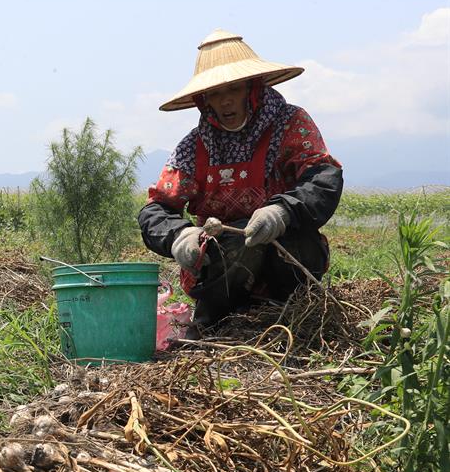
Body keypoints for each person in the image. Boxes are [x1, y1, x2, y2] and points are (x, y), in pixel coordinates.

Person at [138, 29, 343, 332]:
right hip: (223, 271)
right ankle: (212, 326)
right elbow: (157, 209)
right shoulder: (194, 147)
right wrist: (179, 235)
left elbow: (322, 177)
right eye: (215, 94)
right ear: (203, 100)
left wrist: (281, 212)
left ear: (252, 88)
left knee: (291, 243)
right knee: (238, 245)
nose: (225, 102)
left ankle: (292, 320)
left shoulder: (290, 124)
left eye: (233, 89)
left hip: (287, 255)